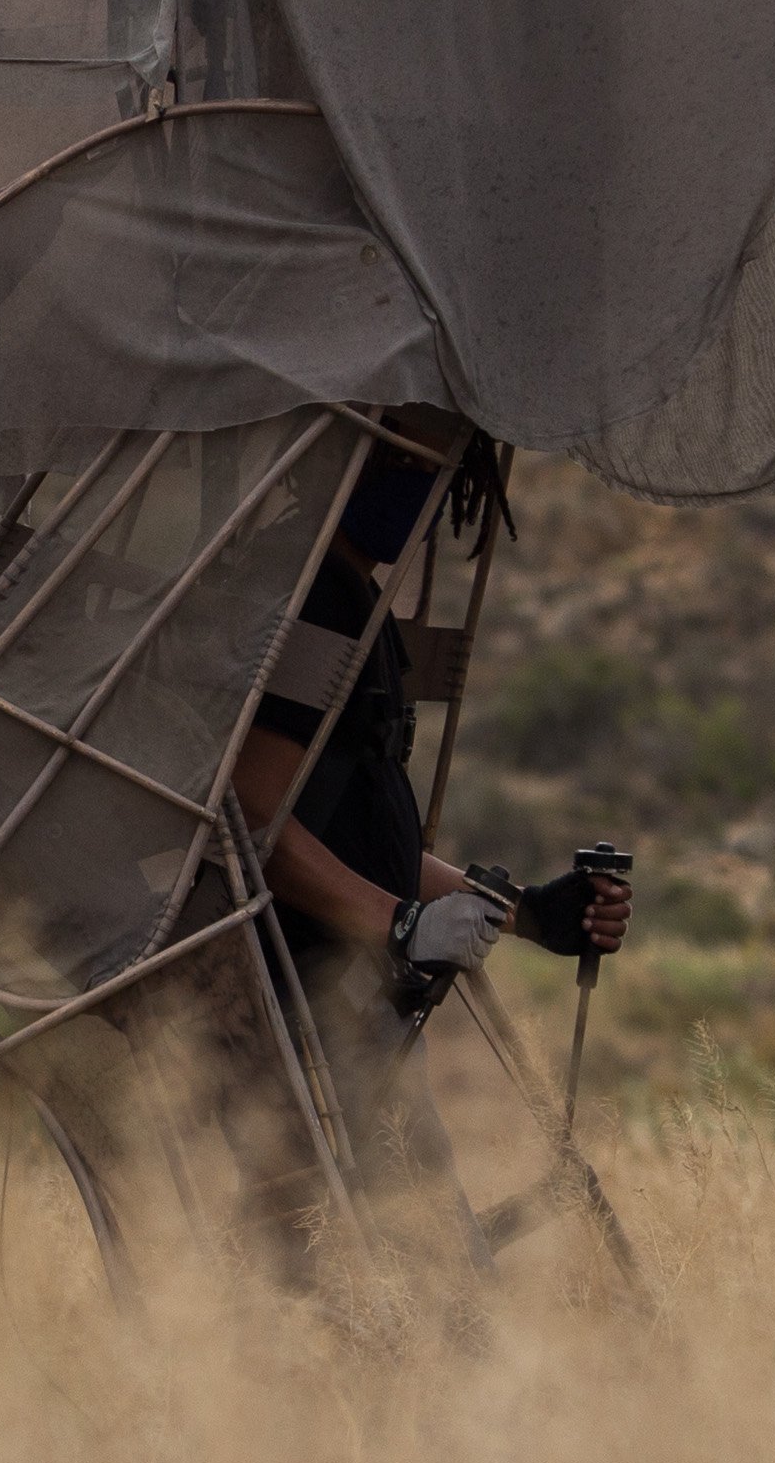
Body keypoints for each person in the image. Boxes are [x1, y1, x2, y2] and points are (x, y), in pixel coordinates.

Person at [227, 422, 631, 1202]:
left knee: (411, 1242)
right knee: (417, 1251)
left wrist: (532, 914)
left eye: (430, 464)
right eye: (397, 456)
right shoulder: (313, 598)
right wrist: (400, 924)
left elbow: (354, 840)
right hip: (304, 1002)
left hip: (343, 999)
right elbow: (252, 819)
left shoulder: (349, 594)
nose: (417, 480)